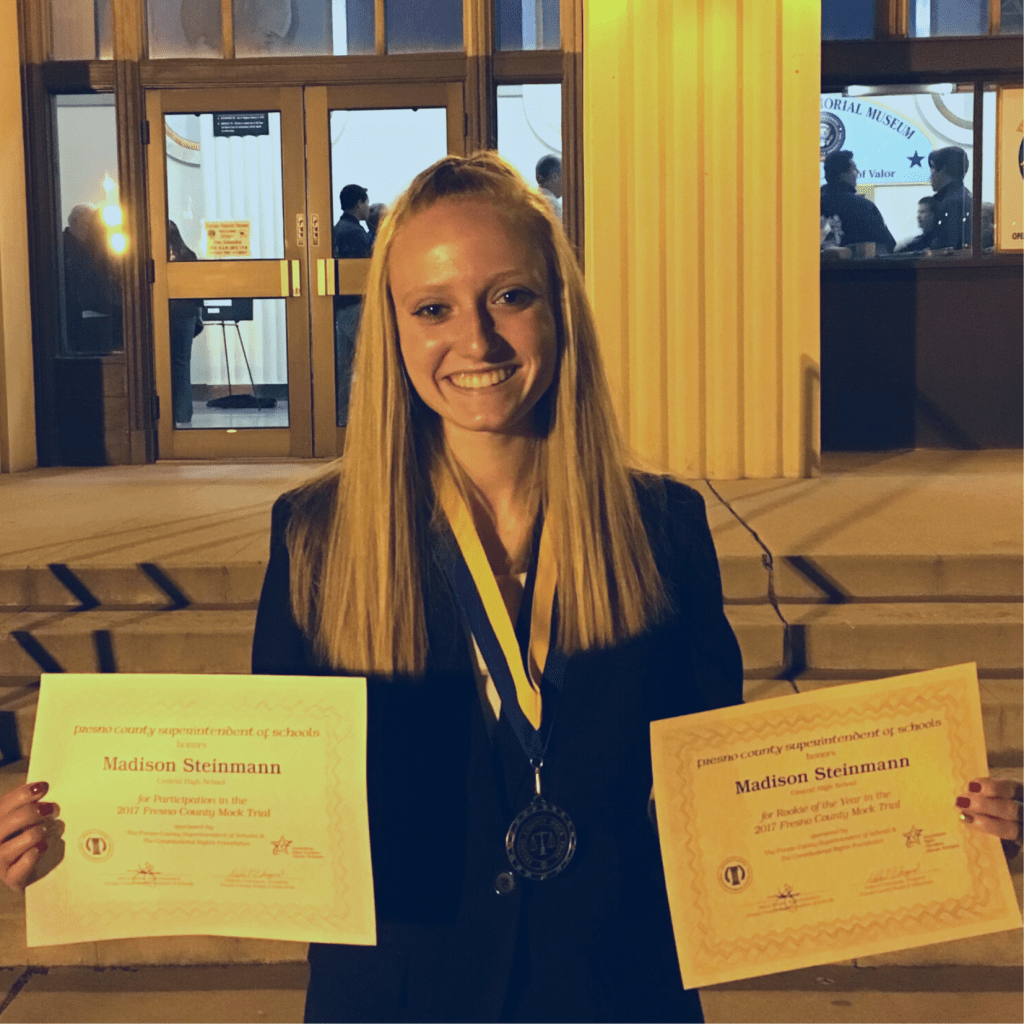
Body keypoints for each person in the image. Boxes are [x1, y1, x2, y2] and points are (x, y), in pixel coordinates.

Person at [4, 154, 1020, 1022]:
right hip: (402, 992)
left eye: (510, 295)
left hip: (615, 987)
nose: (476, 340)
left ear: (557, 308)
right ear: (393, 330)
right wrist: (70, 828)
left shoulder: (660, 528)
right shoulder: (315, 537)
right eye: (433, 307)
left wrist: (933, 822)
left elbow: (727, 788)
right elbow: (263, 788)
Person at [332, 184, 372, 426]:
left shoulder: (339, 229)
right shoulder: (354, 233)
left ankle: (344, 418)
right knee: (367, 361)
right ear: (359, 203)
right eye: (366, 203)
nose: (368, 207)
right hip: (355, 305)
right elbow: (364, 272)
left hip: (341, 306)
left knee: (345, 367)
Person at [62, 203, 121, 353]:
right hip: (79, 319)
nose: (90, 230)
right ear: (73, 222)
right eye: (88, 224)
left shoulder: (91, 249)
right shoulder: (64, 248)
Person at [820, 150, 896, 254]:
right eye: (854, 169)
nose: (858, 172)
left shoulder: (810, 204)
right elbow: (885, 246)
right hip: (850, 269)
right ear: (843, 174)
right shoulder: (862, 207)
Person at [167, 221, 204, 426]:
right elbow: (197, 291)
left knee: (162, 363)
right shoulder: (189, 256)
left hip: (166, 315)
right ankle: (183, 413)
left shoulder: (157, 256)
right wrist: (199, 317)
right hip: (187, 315)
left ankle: (168, 414)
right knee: (182, 364)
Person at [928, 146, 972, 251]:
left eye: (932, 168)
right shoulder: (964, 196)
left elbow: (945, 247)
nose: (930, 176)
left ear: (943, 169)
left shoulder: (952, 203)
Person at [535, 154, 562, 221]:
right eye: (564, 176)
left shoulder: (534, 199)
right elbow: (559, 231)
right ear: (555, 177)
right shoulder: (552, 204)